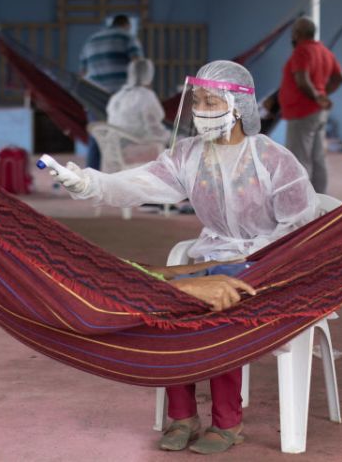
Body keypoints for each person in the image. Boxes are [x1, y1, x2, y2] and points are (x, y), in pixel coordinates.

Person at [48, 60, 318, 454]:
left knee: (218, 310)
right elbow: (139, 183)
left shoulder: (274, 161)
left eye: (212, 101)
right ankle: (183, 416)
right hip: (212, 253)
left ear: (240, 106)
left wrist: (251, 262)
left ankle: (228, 423)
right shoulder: (189, 155)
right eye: (198, 102)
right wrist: (90, 182)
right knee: (169, 304)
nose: (201, 110)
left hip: (269, 263)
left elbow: (301, 225)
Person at [278, 17, 342, 194]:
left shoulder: (302, 51)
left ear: (298, 34)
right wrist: (323, 95)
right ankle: (319, 199)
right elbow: (340, 77)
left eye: (293, 32)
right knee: (317, 158)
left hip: (302, 112)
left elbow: (302, 80)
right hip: (317, 113)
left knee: (299, 159)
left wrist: (317, 96)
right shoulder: (324, 51)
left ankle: (301, 201)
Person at [79, 14, 144, 169]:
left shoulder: (90, 41)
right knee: (125, 138)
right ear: (126, 25)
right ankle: (122, 180)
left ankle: (91, 180)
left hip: (94, 98)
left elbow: (82, 74)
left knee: (97, 138)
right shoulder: (128, 38)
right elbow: (139, 66)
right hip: (121, 99)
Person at [106, 58, 170, 146]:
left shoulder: (117, 97)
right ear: (149, 75)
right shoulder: (146, 96)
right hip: (137, 149)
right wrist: (174, 137)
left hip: (114, 149)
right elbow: (155, 129)